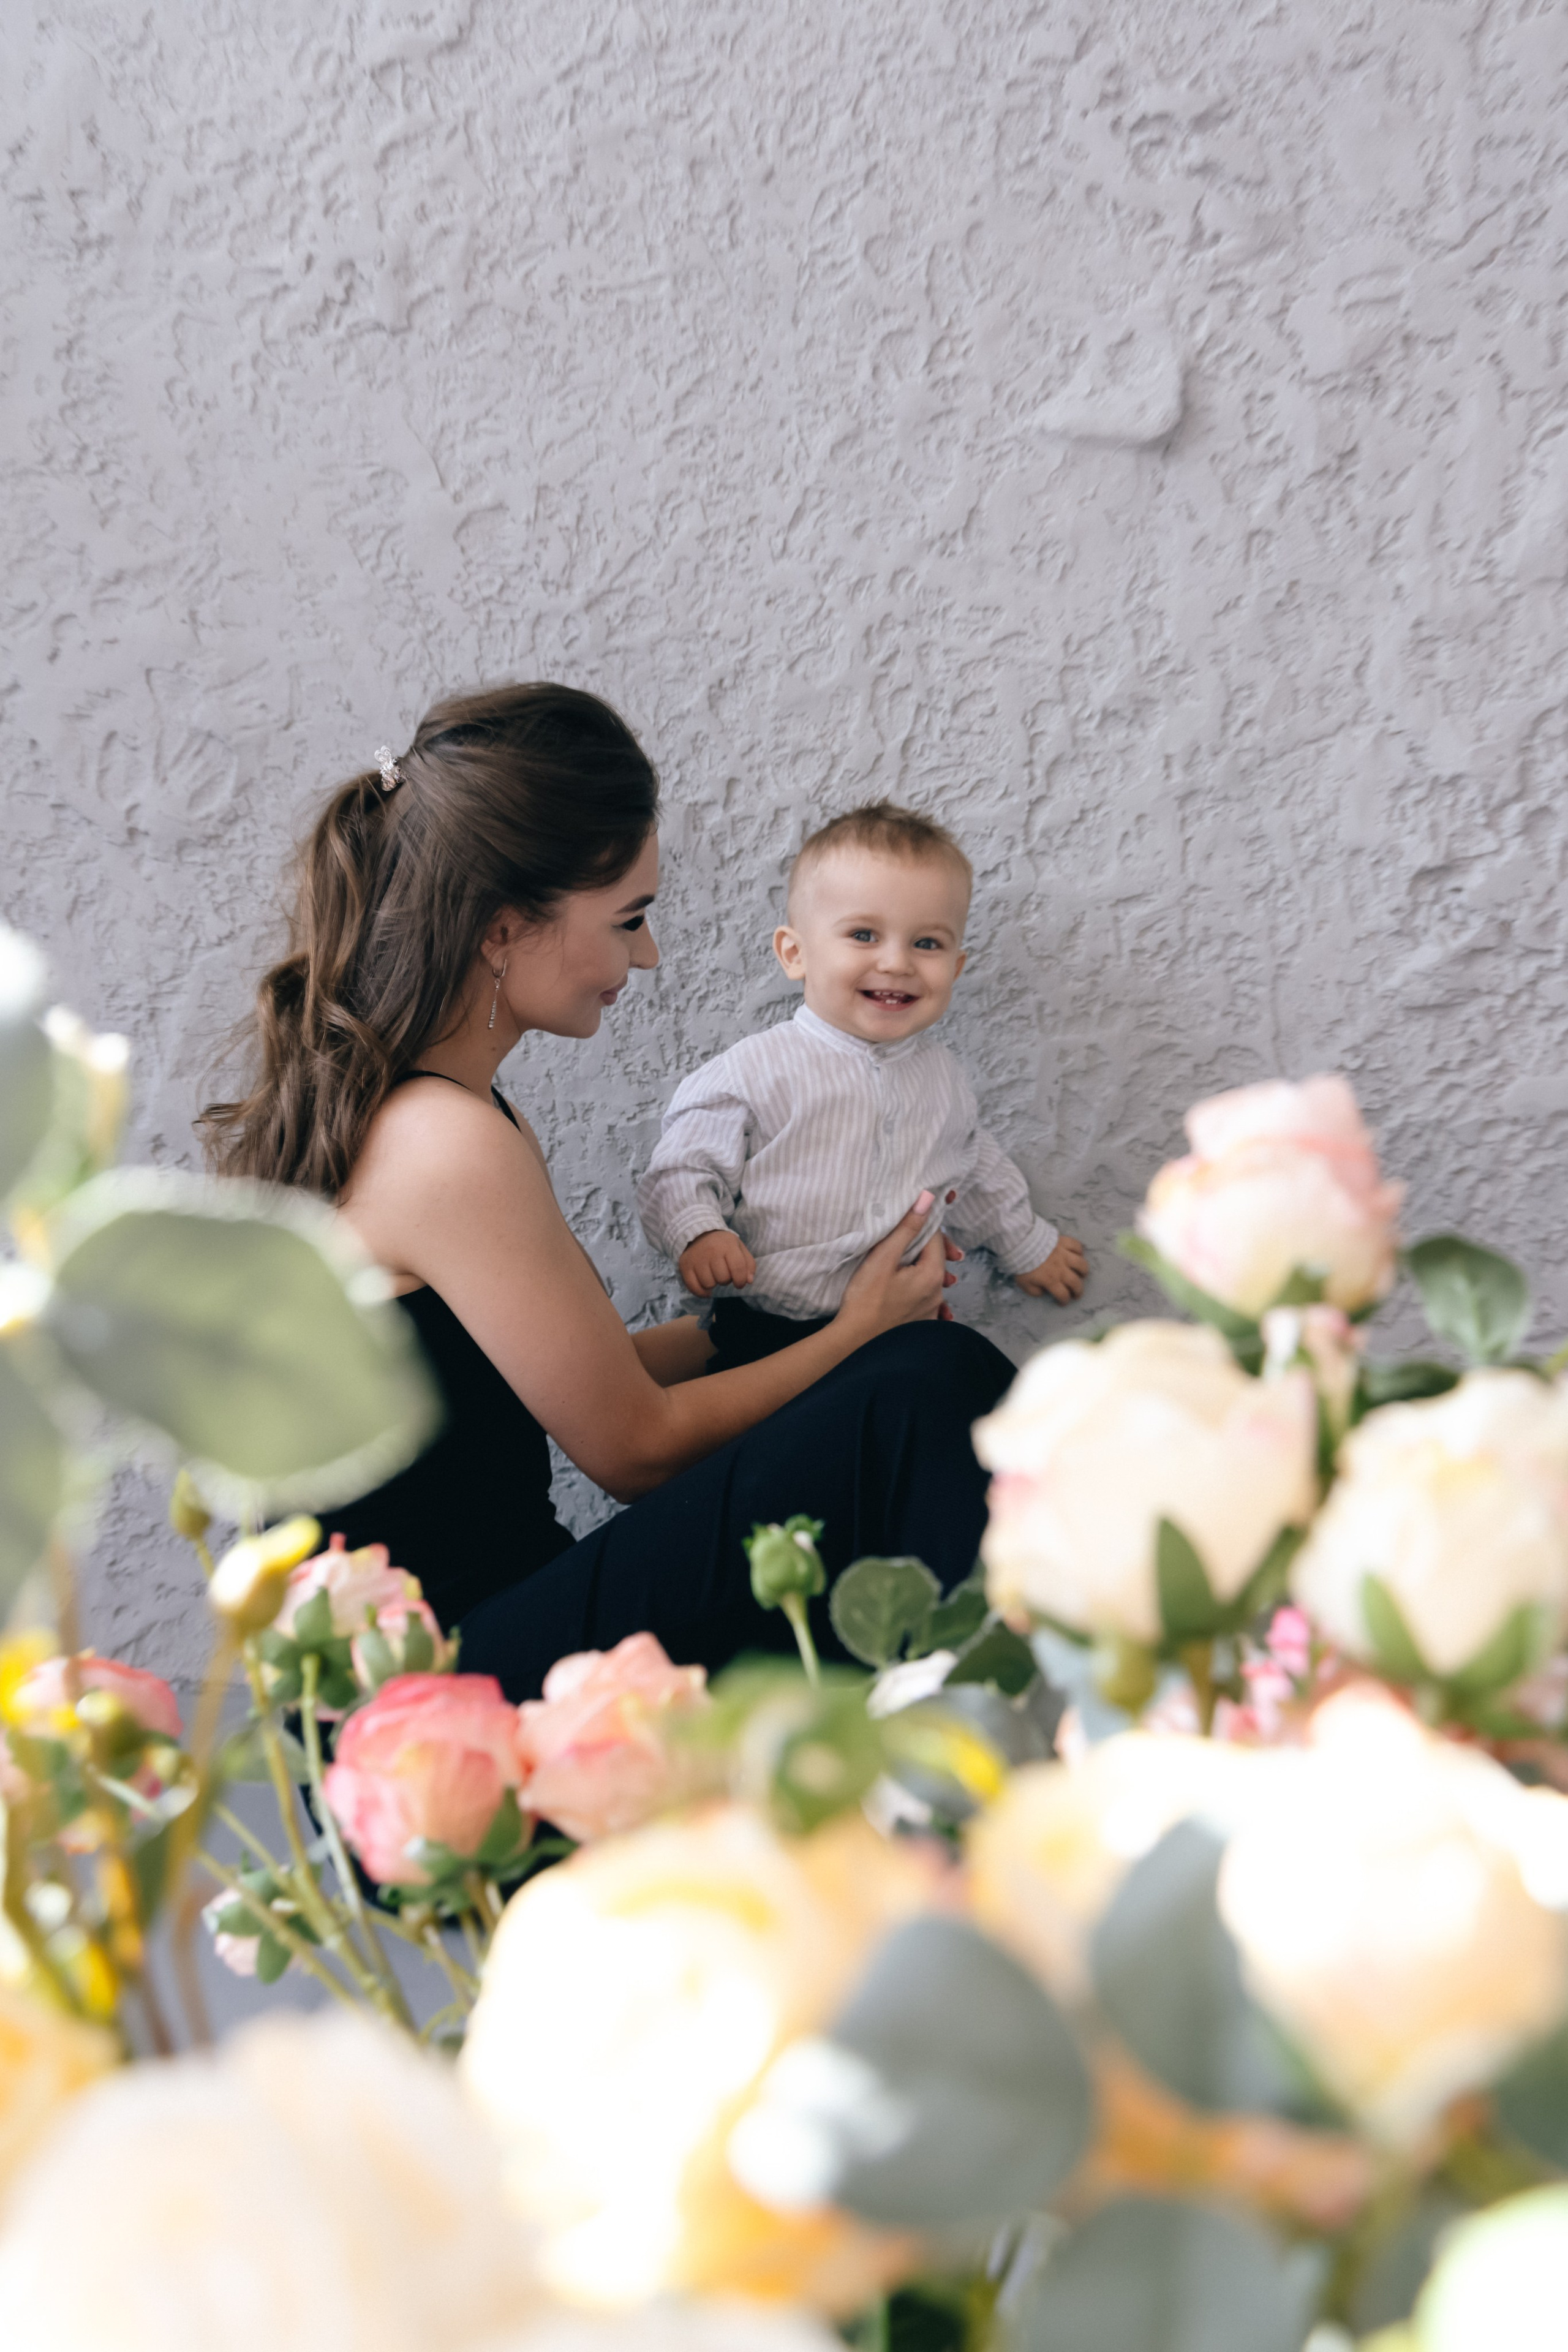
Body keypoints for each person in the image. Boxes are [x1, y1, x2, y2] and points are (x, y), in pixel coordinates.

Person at [199, 684, 1017, 1698]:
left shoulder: (452, 1113)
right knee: (928, 1383)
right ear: (504, 930)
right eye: (629, 918)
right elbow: (634, 1450)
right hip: (434, 1681)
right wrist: (858, 1331)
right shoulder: (444, 1141)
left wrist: (773, 1324)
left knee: (908, 1379)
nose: (648, 953)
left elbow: (571, 1382)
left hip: (498, 1617)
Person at [637, 802, 1088, 1368]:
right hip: (767, 1330)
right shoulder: (754, 1071)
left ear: (956, 967)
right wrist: (699, 1233)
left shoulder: (943, 1078)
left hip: (899, 1327)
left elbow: (970, 1171)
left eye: (927, 944)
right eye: (864, 934)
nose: (897, 962)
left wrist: (1026, 1245)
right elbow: (680, 1169)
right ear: (796, 954)